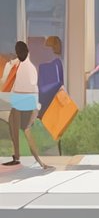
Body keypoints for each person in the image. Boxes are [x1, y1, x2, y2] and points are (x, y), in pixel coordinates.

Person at [2, 42, 51, 170]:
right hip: (28, 100)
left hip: (22, 100)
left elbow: (10, 83)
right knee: (23, 128)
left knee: (17, 125)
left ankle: (20, 157)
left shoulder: (21, 66)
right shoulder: (28, 66)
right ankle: (36, 161)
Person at [36, 35, 65, 113]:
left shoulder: (52, 65)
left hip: (49, 105)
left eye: (45, 48)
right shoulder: (58, 63)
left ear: (50, 49)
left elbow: (57, 83)